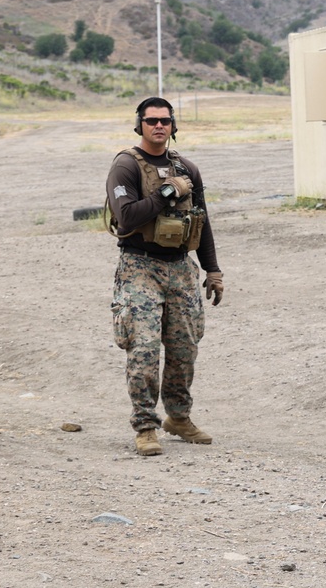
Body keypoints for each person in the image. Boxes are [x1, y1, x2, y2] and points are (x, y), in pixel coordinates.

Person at [106, 97, 224, 457]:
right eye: (151, 120)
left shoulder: (187, 168)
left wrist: (213, 269)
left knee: (184, 349)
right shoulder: (125, 166)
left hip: (180, 270)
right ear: (139, 124)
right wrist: (168, 191)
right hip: (139, 267)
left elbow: (201, 223)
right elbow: (126, 217)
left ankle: (178, 418)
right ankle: (145, 425)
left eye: (165, 121)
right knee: (143, 351)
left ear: (174, 126)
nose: (159, 126)